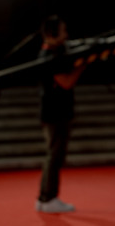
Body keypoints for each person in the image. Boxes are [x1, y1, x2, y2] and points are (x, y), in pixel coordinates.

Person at [35, 15, 85, 213]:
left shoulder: (52, 54)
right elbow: (65, 82)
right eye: (63, 31)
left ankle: (45, 197)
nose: (66, 35)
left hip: (56, 112)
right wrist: (81, 66)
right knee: (54, 156)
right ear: (52, 33)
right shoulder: (48, 57)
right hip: (54, 113)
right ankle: (48, 197)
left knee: (54, 155)